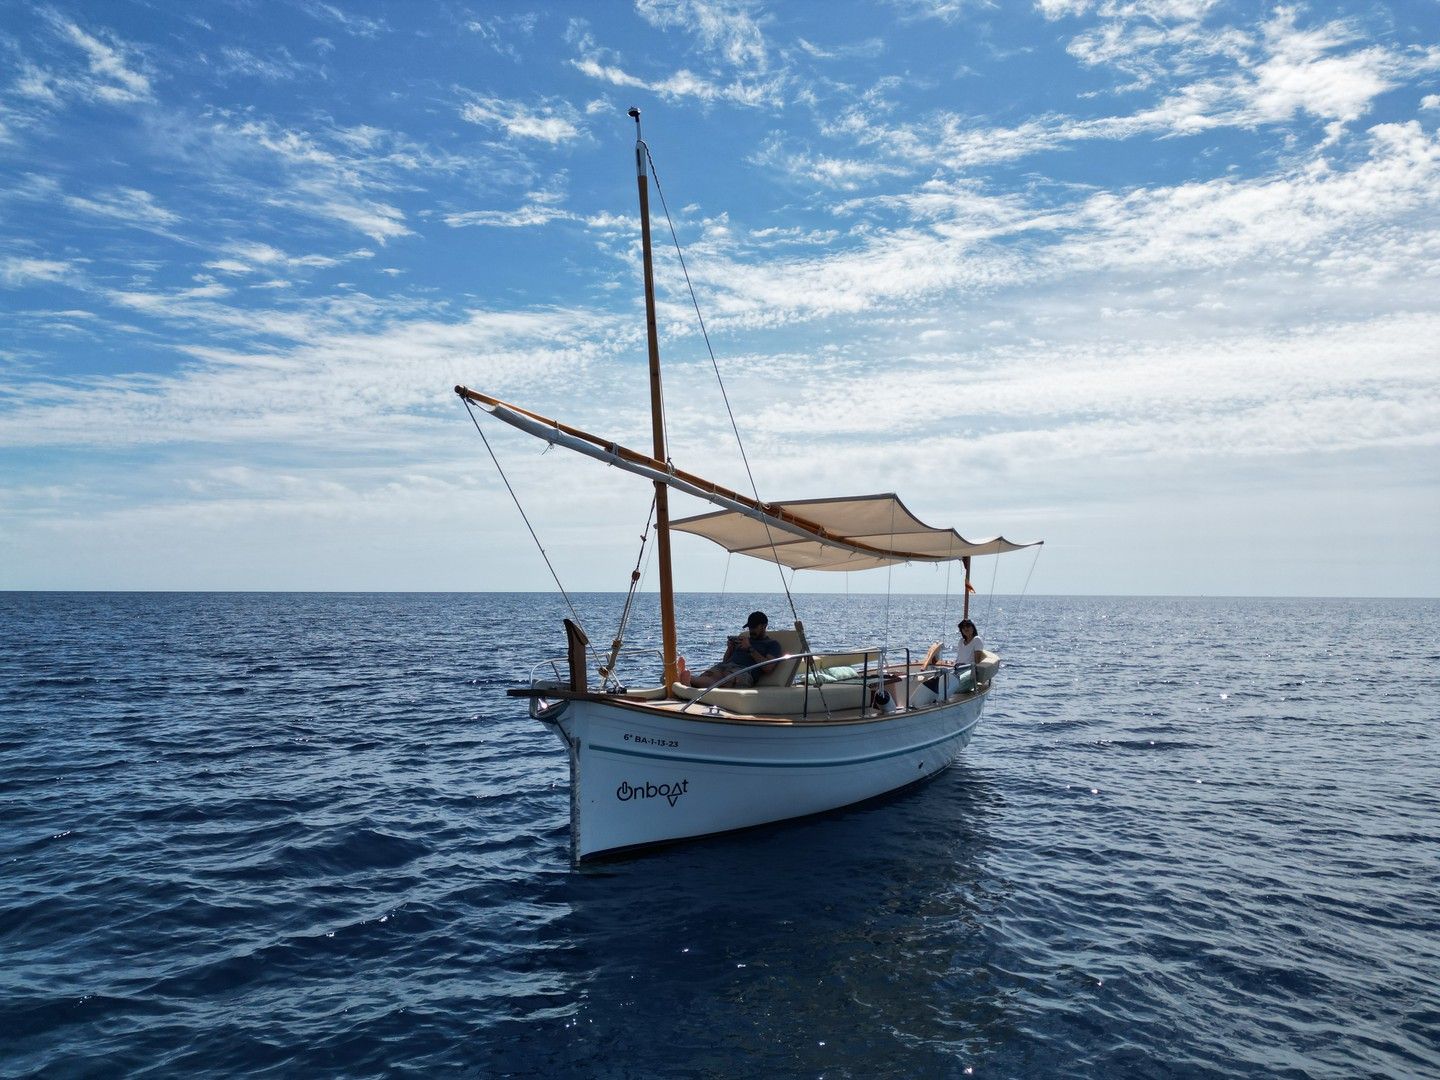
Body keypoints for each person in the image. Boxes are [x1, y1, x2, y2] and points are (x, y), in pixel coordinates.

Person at [678, 611, 783, 688]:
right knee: (711, 674)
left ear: (764, 626)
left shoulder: (772, 644)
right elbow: (725, 661)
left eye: (754, 627)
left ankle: (687, 680)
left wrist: (750, 649)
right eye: (749, 627)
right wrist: (730, 649)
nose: (751, 630)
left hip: (745, 672)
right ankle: (687, 680)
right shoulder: (744, 640)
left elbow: (768, 668)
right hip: (726, 667)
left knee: (723, 679)